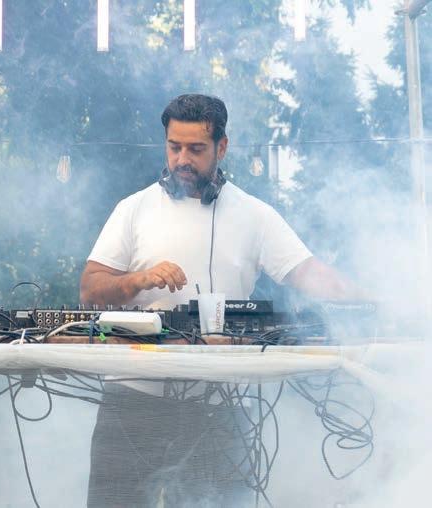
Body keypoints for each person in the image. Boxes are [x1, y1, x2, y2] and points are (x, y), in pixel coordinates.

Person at [81, 94, 365, 508]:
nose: (182, 159)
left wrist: (381, 301)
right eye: (174, 147)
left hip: (220, 406)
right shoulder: (134, 209)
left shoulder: (255, 215)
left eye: (196, 149)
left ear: (222, 147)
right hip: (133, 398)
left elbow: (311, 274)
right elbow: (90, 288)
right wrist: (137, 280)